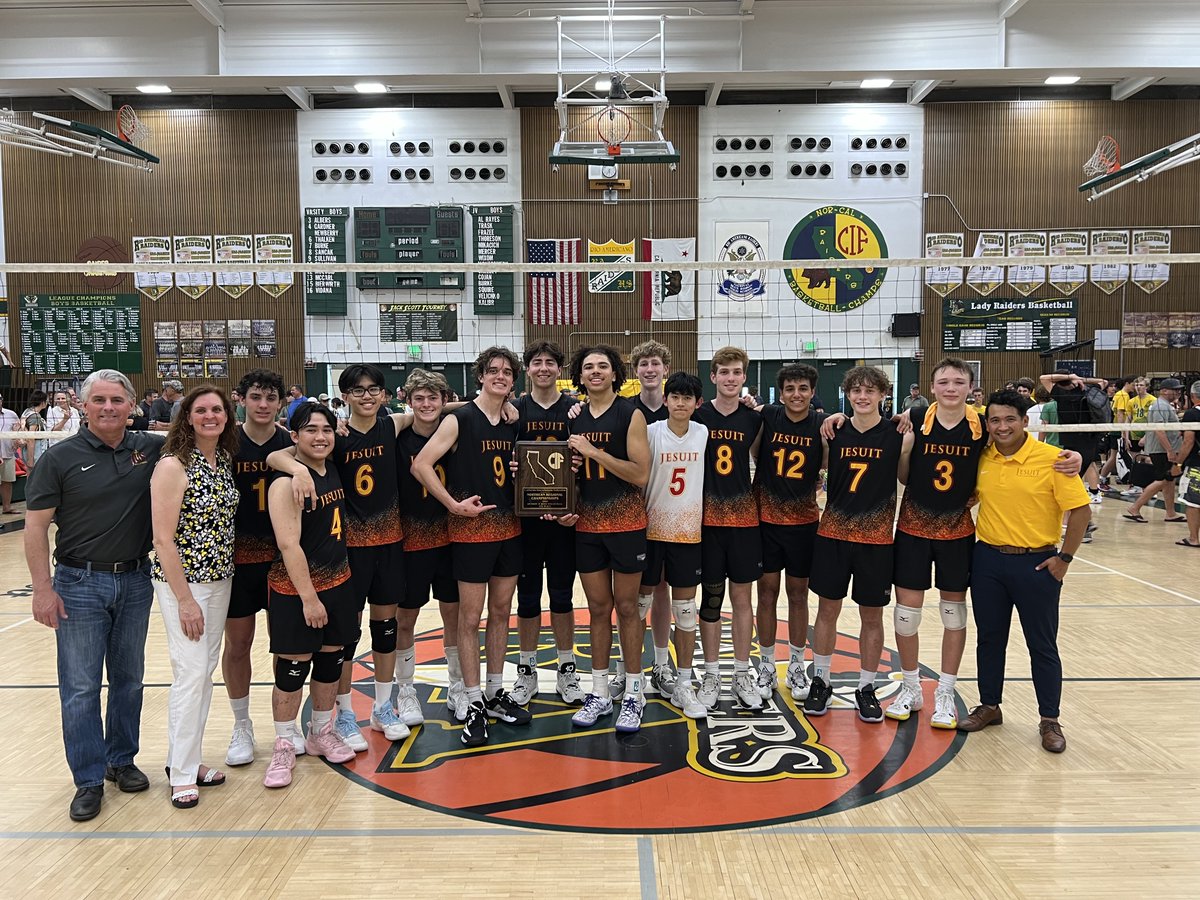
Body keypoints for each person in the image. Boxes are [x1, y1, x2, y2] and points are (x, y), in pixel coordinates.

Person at [25, 370, 165, 822]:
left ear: (131, 406)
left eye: (117, 400)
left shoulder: (149, 448)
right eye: (99, 400)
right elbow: (34, 528)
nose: (108, 407)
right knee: (81, 688)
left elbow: (210, 434)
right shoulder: (60, 458)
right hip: (77, 584)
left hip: (135, 579)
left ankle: (120, 760)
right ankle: (87, 780)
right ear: (84, 406)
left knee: (130, 680)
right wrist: (42, 590)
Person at [270, 364, 416, 750]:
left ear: (385, 395)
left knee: (385, 630)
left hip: (389, 544)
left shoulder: (393, 425)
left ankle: (383, 708)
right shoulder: (336, 437)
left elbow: (439, 410)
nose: (367, 396)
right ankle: (346, 712)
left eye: (374, 389)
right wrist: (295, 470)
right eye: (357, 389)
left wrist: (508, 406)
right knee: (346, 639)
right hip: (348, 551)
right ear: (345, 396)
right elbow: (277, 455)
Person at [959, 390, 1091, 753]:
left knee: (1042, 646)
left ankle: (1049, 719)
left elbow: (1081, 512)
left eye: (1010, 419)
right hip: (987, 561)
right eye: (996, 420)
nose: (1002, 427)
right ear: (988, 424)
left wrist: (1064, 558)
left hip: (1037, 563)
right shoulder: (983, 457)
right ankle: (990, 705)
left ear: (1025, 421)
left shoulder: (1054, 459)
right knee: (989, 638)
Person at [413, 347, 531, 746]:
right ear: (480, 375)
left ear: (514, 380)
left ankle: (496, 692)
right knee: (470, 619)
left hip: (510, 530)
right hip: (470, 533)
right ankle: (474, 700)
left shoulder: (512, 421)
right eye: (493, 371)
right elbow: (421, 464)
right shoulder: (459, 418)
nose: (500, 376)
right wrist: (452, 505)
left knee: (501, 613)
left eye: (506, 372)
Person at [150, 385, 240, 809]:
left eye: (217, 410)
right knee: (189, 674)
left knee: (203, 672)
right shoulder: (173, 464)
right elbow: (163, 541)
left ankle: (183, 759)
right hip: (183, 585)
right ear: (187, 416)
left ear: (226, 416)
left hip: (220, 579)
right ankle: (182, 775)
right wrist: (185, 599)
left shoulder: (221, 458)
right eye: (201, 410)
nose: (210, 416)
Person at [887, 358, 989, 728]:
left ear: (970, 387)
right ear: (932, 387)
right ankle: (911, 687)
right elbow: (902, 476)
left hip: (957, 533)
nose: (950, 387)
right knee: (906, 614)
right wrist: (904, 450)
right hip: (913, 529)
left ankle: (945, 691)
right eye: (943, 381)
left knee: (954, 614)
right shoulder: (913, 420)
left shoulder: (982, 428)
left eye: (958, 382)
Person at [261, 402, 357, 788]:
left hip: (339, 582)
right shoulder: (287, 483)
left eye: (326, 430)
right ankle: (284, 743)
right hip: (297, 590)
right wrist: (309, 598)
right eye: (311, 430)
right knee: (293, 667)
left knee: (332, 659)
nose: (320, 437)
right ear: (294, 435)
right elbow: (289, 545)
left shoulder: (329, 468)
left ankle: (320, 731)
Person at [805, 366, 901, 723]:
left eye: (870, 391)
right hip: (832, 535)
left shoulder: (897, 433)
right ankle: (822, 681)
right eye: (856, 390)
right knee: (826, 611)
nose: (862, 396)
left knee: (871, 616)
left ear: (882, 395)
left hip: (876, 539)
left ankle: (866, 686)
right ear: (847, 394)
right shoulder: (833, 431)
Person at [565, 345, 651, 733]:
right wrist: (565, 503)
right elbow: (570, 475)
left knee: (628, 609)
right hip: (587, 527)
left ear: (615, 373)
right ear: (580, 377)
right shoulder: (575, 416)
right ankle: (600, 692)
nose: (596, 372)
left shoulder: (629, 413)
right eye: (588, 368)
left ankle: (634, 692)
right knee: (598, 610)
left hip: (627, 524)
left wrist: (593, 452)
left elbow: (640, 474)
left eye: (602, 366)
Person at [222, 369, 303, 767]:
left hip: (279, 561)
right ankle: (241, 725)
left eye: (271, 398)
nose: (263, 405)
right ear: (241, 399)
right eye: (256, 397)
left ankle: (286, 729)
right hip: (236, 563)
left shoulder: (292, 445)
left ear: (281, 402)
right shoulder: (223, 443)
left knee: (284, 646)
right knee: (237, 645)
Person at [510, 342, 585, 708]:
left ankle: (567, 668)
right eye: (537, 362)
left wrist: (575, 503)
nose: (543, 368)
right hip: (524, 520)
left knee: (561, 595)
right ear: (528, 369)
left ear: (560, 369)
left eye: (550, 363)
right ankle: (526, 671)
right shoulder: (514, 410)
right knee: (526, 599)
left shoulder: (574, 409)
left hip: (563, 519)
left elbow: (585, 460)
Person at [694, 347, 764, 711]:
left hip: (743, 521)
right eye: (724, 372)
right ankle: (710, 674)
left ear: (744, 377)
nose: (731, 378)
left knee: (742, 600)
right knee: (710, 600)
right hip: (705, 522)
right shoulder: (696, 415)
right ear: (714, 376)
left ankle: (740, 673)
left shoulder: (754, 418)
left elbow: (762, 457)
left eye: (737, 372)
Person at [395, 370, 466, 717]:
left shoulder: (453, 430)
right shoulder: (397, 434)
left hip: (450, 539)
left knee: (452, 615)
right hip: (409, 542)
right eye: (418, 398)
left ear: (444, 400)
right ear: (408, 401)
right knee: (405, 618)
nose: (426, 404)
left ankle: (457, 685)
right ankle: (405, 690)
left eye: (433, 398)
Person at [753, 363, 824, 703]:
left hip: (804, 523)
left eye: (803, 389)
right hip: (765, 521)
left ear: (812, 392)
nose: (797, 395)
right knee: (766, 594)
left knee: (798, 596)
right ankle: (766, 665)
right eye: (790, 389)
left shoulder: (823, 425)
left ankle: (796, 663)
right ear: (781, 394)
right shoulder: (767, 416)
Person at [642, 372, 708, 718]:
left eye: (688, 398)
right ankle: (636, 676)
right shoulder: (651, 432)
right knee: (639, 607)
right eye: (675, 397)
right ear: (665, 400)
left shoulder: (703, 432)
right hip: (650, 530)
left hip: (686, 533)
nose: (680, 403)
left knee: (685, 611)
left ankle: (683, 683)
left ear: (697, 404)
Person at [622, 339, 677, 700]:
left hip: (671, 515)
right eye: (643, 364)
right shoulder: (625, 410)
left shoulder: (682, 410)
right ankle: (628, 668)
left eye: (655, 363)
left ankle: (661, 663)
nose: (650, 369)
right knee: (632, 597)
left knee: (663, 590)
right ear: (635, 371)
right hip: (631, 514)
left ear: (665, 369)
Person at [1122, 378, 1185, 524]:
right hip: (1161, 450)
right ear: (1163, 391)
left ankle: (1170, 513)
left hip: (1164, 449)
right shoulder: (1159, 406)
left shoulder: (1165, 405)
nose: (1178, 392)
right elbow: (1159, 430)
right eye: (1174, 389)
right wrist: (1169, 450)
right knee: (1163, 479)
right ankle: (1135, 507)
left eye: (1179, 389)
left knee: (1169, 480)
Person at [1176, 381, 1200, 548]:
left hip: (1196, 465)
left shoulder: (1192, 414)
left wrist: (1178, 464)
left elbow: (1188, 442)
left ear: (1192, 397)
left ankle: (1193, 538)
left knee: (1193, 502)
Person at [0, 394, 21, 513]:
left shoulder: (11, 414)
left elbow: (17, 431)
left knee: (7, 481)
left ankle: (7, 507)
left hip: (8, 453)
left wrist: (17, 439)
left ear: (2, 401)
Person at [22, 391, 50, 470]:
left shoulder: (27, 411)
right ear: (42, 402)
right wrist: (31, 460)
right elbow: (31, 438)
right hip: (35, 449)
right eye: (46, 401)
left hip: (28, 449)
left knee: (30, 476)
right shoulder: (35, 416)